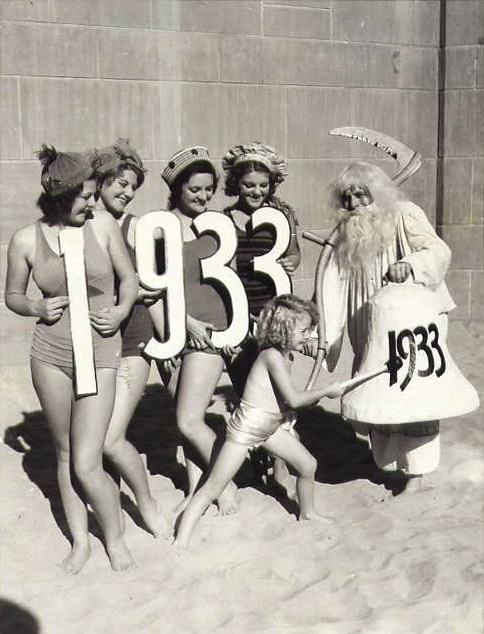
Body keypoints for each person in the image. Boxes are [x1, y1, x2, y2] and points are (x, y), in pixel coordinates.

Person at [5, 146, 139, 573]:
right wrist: (36, 308)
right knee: (65, 454)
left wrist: (120, 311)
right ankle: (81, 541)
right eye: (84, 196)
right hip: (50, 355)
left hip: (99, 351)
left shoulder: (101, 228)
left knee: (87, 460)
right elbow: (12, 296)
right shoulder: (26, 240)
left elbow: (129, 279)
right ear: (61, 198)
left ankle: (115, 539)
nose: (93, 202)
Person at [321, 161, 455, 491]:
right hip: (366, 322)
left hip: (414, 320)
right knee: (378, 388)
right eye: (346, 198)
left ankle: (417, 476)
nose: (353, 205)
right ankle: (394, 467)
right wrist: (326, 333)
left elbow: (438, 250)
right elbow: (333, 284)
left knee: (412, 389)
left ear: (377, 193)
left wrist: (408, 264)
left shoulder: (403, 213)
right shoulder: (345, 233)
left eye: (361, 195)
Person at [174, 294, 342, 550]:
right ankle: (181, 541)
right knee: (211, 488)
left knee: (308, 465)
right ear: (283, 330)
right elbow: (295, 399)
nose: (308, 336)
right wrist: (326, 391)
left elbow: (281, 401)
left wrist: (296, 406)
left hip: (269, 428)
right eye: (304, 330)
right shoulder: (271, 356)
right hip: (245, 431)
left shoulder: (286, 355)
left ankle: (307, 513)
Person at [95, 139, 170, 537]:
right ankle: (112, 509)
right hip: (93, 343)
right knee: (95, 434)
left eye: (132, 186)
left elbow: (154, 290)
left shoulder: (137, 228)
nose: (126, 192)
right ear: (99, 182)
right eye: (119, 183)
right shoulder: (81, 223)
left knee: (110, 438)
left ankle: (147, 502)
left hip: (132, 340)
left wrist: (166, 340)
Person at [158, 146, 238, 514]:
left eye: (209, 189)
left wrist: (230, 333)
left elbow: (230, 284)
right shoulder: (159, 229)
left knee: (187, 420)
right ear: (177, 189)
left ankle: (228, 484)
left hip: (211, 331)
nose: (204, 196)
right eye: (195, 190)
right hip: (176, 330)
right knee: (185, 415)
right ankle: (196, 486)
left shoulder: (219, 226)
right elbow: (154, 287)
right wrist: (179, 326)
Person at [222, 142, 303, 491]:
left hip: (274, 315)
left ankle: (281, 462)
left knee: (278, 392)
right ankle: (258, 455)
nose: (256, 191)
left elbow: (295, 255)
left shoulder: (282, 217)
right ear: (236, 184)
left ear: (272, 185)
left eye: (262, 185)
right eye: (248, 184)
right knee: (246, 390)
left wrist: (291, 262)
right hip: (239, 314)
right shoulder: (224, 220)